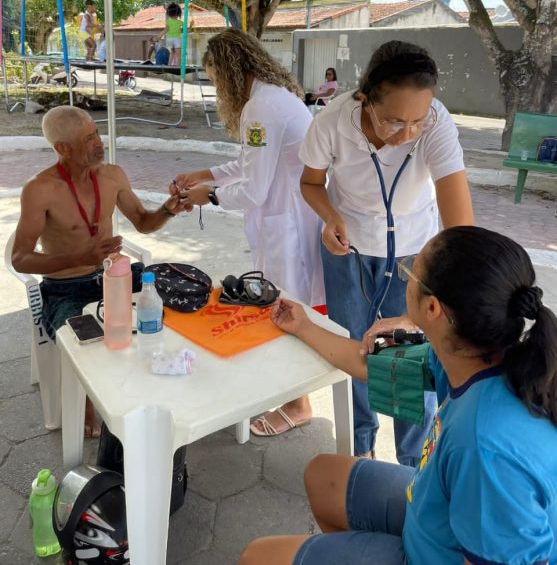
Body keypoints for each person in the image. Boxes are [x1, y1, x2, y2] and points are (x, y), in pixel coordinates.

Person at [239, 226, 557, 565]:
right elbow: (369, 362)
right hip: (434, 513)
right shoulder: (472, 353)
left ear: (432, 308)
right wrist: (302, 325)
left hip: (437, 552)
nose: (405, 279)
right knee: (322, 475)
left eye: (409, 273)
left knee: (257, 558)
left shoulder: (483, 446)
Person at [299, 40, 474, 464]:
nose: (409, 133)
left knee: (410, 354)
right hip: (349, 249)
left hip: (415, 253)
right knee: (354, 345)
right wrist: (329, 218)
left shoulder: (436, 124)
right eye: (395, 121)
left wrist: (423, 309)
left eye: (419, 119)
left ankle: (415, 464)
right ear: (364, 98)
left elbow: (463, 231)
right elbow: (310, 183)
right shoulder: (331, 122)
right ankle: (360, 450)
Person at [171, 28, 324, 437]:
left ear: (228, 70)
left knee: (288, 307)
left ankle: (298, 402)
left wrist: (210, 197)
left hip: (287, 223)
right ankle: (289, 392)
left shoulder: (260, 109)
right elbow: (250, 164)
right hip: (291, 217)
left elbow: (254, 188)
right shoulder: (274, 98)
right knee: (290, 304)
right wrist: (205, 175)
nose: (217, 88)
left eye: (214, 79)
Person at [11, 106, 190, 435]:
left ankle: (165, 374)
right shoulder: (40, 189)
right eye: (87, 139)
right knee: (87, 345)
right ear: (61, 149)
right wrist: (80, 255)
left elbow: (143, 222)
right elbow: (20, 259)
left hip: (115, 275)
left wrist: (168, 209)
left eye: (96, 133)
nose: (98, 143)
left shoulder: (112, 175)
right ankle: (88, 401)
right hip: (66, 287)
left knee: (180, 296)